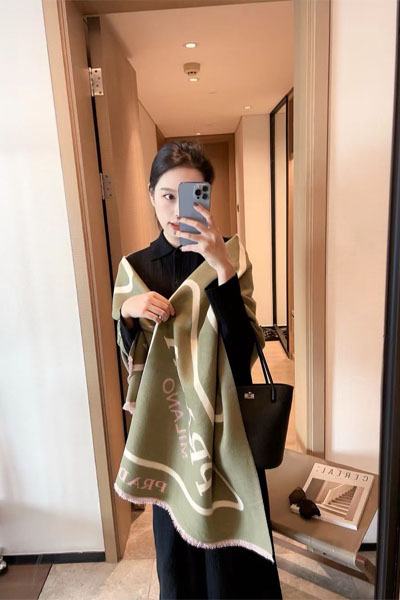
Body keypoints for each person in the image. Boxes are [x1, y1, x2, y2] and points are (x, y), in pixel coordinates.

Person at [117, 140, 282, 599]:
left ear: (207, 197)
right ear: (151, 195)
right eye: (167, 195)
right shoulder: (135, 268)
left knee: (233, 563)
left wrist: (223, 270)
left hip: (228, 430)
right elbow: (134, 365)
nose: (177, 209)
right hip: (173, 431)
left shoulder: (230, 255)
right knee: (179, 559)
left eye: (191, 195)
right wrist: (128, 312)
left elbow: (244, 352)